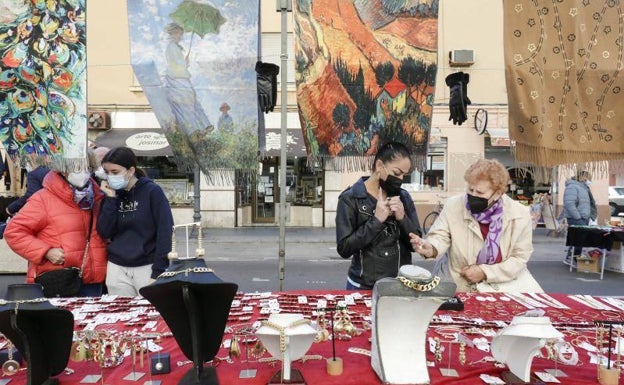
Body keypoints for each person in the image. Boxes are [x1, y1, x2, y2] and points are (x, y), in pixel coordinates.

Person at [409, 158, 542, 293]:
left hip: (503, 287)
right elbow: (440, 235)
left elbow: (519, 258)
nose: (473, 195)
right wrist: (431, 248)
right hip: (457, 284)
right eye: (470, 189)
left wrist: (485, 272)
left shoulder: (519, 214)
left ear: (497, 193)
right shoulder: (454, 205)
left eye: (480, 193)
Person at [3, 163, 108, 297]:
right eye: (77, 167)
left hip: (94, 280)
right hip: (60, 279)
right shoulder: (43, 199)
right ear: (63, 170)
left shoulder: (98, 197)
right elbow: (14, 232)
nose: (84, 172)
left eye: (87, 168)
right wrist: (45, 251)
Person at [336, 142, 422, 290]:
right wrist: (376, 221)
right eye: (396, 173)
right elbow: (344, 248)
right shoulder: (350, 199)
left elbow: (416, 243)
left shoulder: (403, 197)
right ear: (379, 165)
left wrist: (402, 218)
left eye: (404, 175)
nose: (400, 179)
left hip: (401, 283)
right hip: (364, 285)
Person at [97, 147, 174, 296]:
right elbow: (105, 231)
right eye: (107, 173)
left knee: (149, 315)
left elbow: (165, 232)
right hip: (117, 268)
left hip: (147, 267)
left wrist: (158, 271)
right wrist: (111, 199)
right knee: (120, 314)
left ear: (130, 170)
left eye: (115, 172)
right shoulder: (110, 194)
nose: (110, 177)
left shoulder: (152, 191)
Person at [163, 22, 213, 139]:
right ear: (173, 33)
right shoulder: (171, 47)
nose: (180, 36)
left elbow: (179, 65)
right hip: (177, 79)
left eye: (181, 34)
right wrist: (184, 63)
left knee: (192, 102)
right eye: (179, 34)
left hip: (181, 78)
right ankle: (195, 129)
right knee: (187, 104)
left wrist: (184, 63)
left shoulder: (175, 47)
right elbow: (174, 66)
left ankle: (202, 126)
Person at [562, 170, 597, 262]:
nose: (589, 181)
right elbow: (569, 203)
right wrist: (578, 217)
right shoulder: (572, 187)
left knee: (577, 239)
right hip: (576, 218)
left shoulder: (584, 188)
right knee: (579, 239)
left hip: (583, 217)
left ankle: (570, 256)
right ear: (582, 177)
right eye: (588, 178)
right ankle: (575, 258)